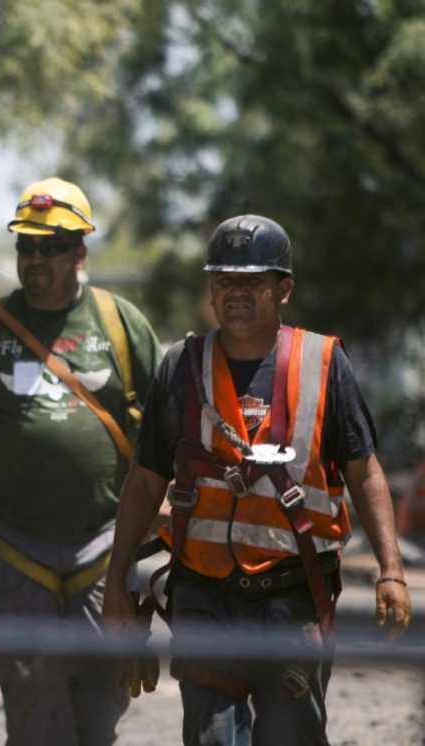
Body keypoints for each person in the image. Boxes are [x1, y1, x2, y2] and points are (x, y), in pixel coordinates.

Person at [103, 214, 413, 745]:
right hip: (203, 597)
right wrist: (116, 586)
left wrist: (391, 569)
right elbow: (144, 483)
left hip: (294, 598)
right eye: (225, 281)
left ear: (283, 289)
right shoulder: (180, 366)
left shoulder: (323, 364)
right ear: (211, 290)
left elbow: (365, 473)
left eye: (253, 281)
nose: (237, 293)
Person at [0, 177, 162, 745]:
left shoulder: (122, 325)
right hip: (14, 548)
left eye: (51, 247)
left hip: (106, 546)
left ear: (80, 251)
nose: (34, 259)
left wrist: (166, 523)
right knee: (33, 711)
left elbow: (166, 433)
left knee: (99, 708)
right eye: (26, 246)